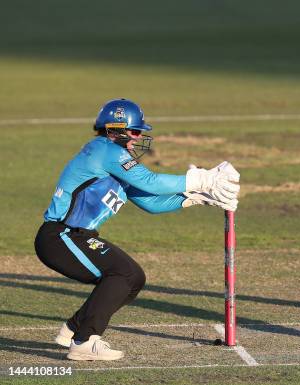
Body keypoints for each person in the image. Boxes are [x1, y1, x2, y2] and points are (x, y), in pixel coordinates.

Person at [34, 98, 240, 360]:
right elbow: (152, 181)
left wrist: (198, 198)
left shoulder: (116, 163)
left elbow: (152, 202)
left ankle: (73, 329)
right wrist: (203, 178)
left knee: (134, 279)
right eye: (134, 131)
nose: (137, 138)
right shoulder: (105, 150)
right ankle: (84, 341)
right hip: (60, 236)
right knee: (122, 273)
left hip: (75, 237)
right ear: (114, 128)